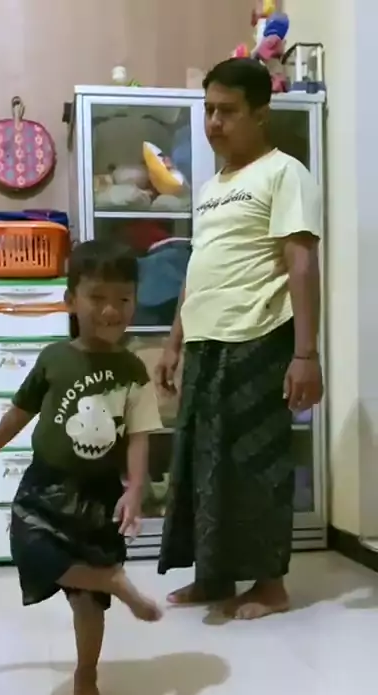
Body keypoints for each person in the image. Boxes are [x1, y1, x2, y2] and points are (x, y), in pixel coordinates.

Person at [0, 240, 163, 695]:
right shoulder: (54, 358)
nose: (111, 310)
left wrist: (135, 488)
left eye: (123, 298)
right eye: (97, 297)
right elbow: (19, 413)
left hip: (99, 494)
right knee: (32, 552)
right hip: (45, 486)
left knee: (88, 604)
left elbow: (139, 434)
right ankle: (112, 580)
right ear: (71, 300)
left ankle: (86, 678)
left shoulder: (133, 369)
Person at [155, 58, 323, 619]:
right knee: (202, 463)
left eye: (227, 111)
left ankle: (270, 585)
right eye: (209, 110)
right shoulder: (211, 189)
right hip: (205, 342)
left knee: (255, 464)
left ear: (260, 114)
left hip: (258, 337)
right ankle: (214, 576)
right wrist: (174, 341)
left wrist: (305, 354)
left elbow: (301, 263)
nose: (213, 123)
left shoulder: (284, 173)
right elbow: (198, 267)